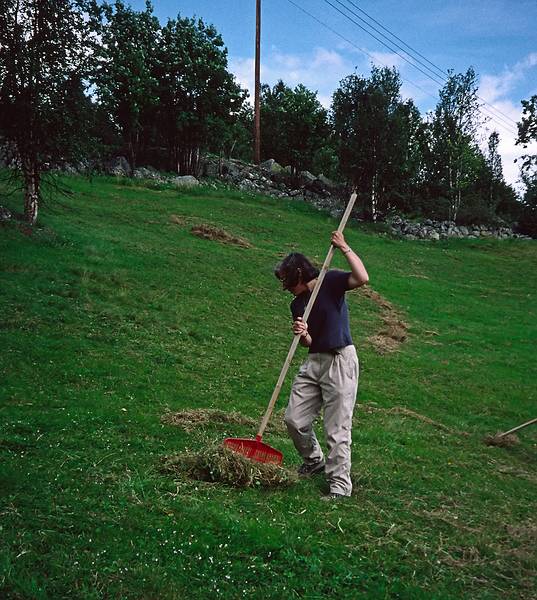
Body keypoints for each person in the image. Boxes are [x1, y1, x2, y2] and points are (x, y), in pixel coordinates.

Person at [274, 231, 369, 500]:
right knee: (294, 419)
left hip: (340, 360)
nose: (284, 287)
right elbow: (308, 341)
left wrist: (344, 247)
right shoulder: (297, 304)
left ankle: (340, 487)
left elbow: (362, 278)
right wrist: (302, 333)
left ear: (299, 274)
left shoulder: (331, 282)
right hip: (314, 361)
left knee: (337, 428)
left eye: (286, 280)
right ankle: (314, 460)